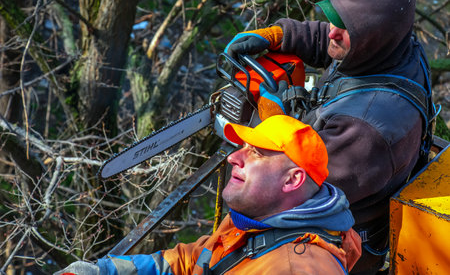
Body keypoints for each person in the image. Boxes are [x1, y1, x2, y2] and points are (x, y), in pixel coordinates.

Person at [224, 0, 437, 274]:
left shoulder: (368, 129)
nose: (332, 33)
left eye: (345, 28)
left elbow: (292, 186)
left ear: (373, 38)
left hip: (330, 249)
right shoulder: (389, 50)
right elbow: (328, 38)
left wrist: (272, 118)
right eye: (334, 20)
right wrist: (280, 35)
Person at [55, 115, 361, 274]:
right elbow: (194, 262)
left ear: (292, 180)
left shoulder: (296, 268)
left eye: (255, 153)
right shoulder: (253, 223)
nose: (233, 158)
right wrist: (103, 271)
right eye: (241, 148)